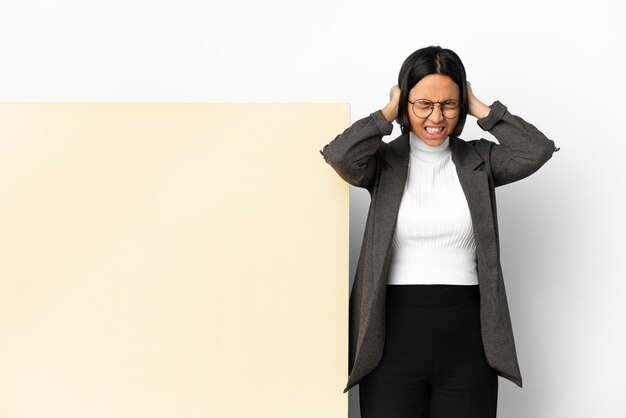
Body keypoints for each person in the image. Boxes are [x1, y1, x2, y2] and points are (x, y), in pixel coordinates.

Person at [319, 45, 559, 418]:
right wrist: (386, 113)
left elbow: (537, 151)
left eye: (448, 104)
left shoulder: (479, 161)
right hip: (391, 337)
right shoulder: (383, 163)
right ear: (405, 105)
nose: (437, 116)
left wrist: (481, 108)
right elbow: (339, 156)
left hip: (467, 338)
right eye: (423, 105)